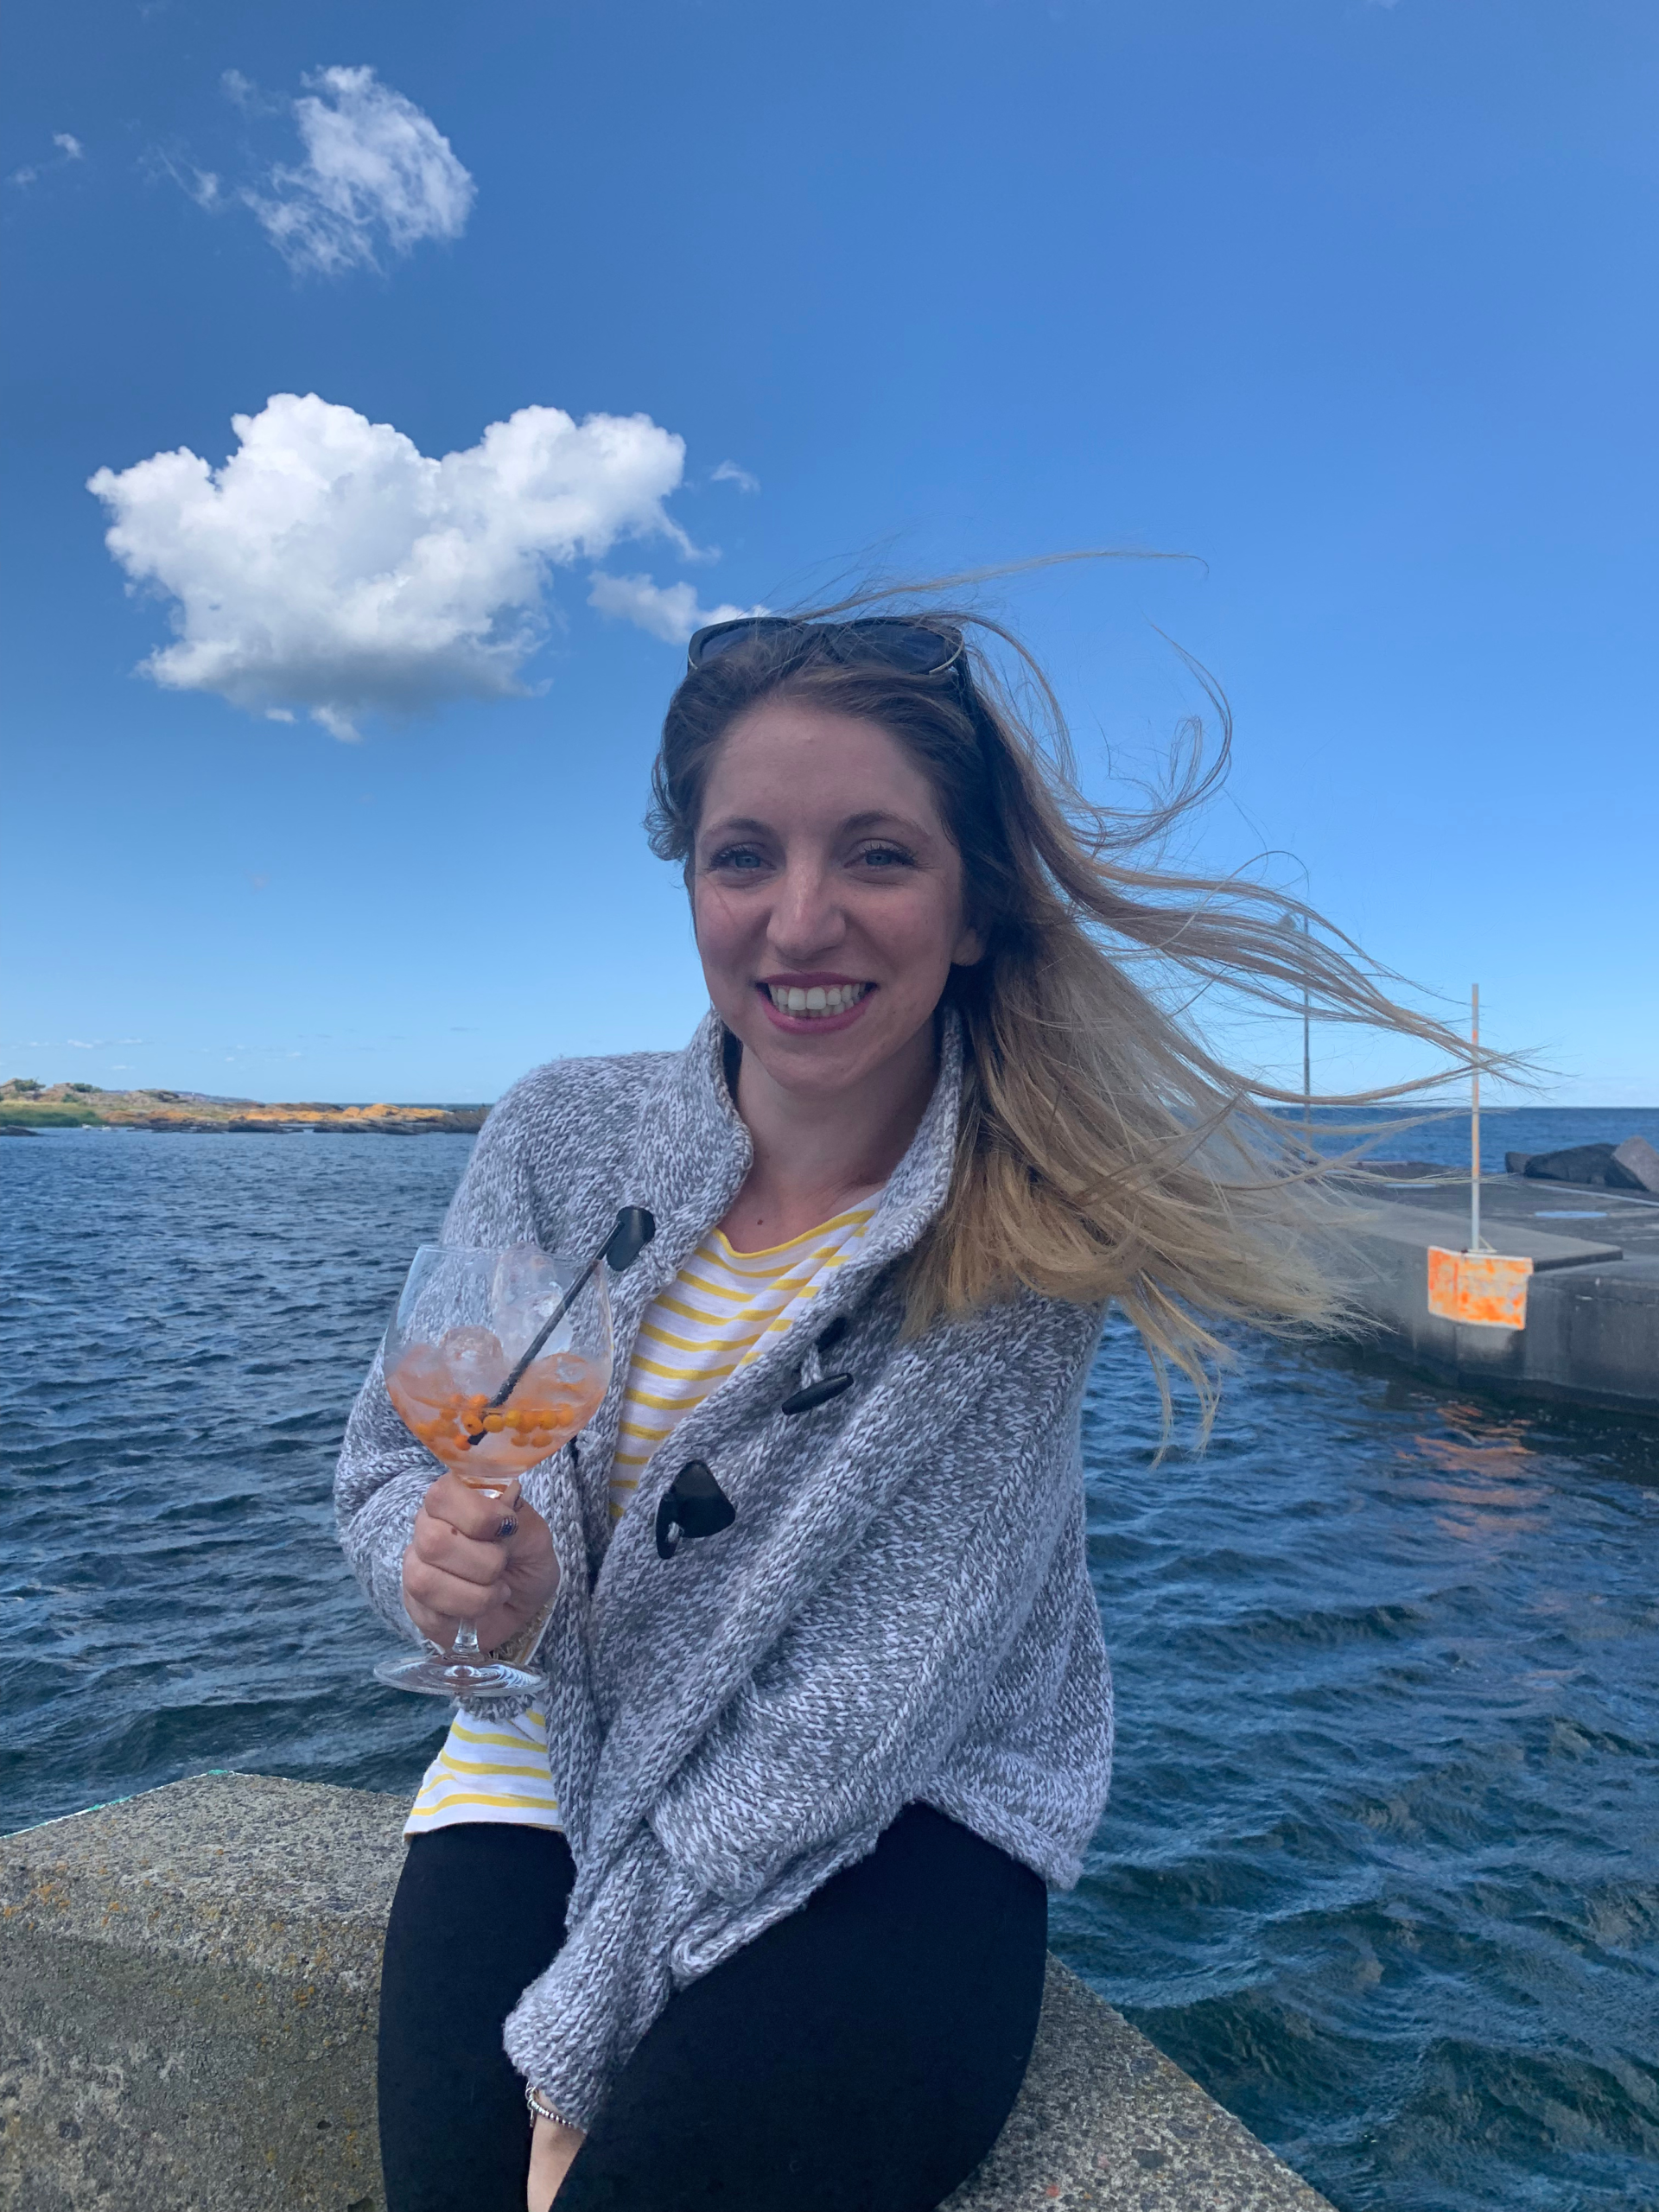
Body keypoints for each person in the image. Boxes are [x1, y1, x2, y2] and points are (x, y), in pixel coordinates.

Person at [335, 596, 1465, 2212]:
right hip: (542, 1751)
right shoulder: (556, 1138)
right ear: (693, 885)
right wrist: (451, 1582)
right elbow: (391, 1465)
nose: (800, 921)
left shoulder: (1025, 1231)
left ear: (975, 907)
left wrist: (582, 2032)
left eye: (875, 855)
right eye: (744, 858)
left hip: (897, 1808)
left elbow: (867, 1702)